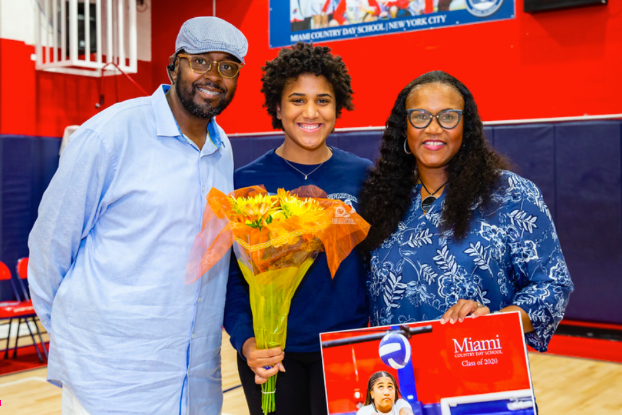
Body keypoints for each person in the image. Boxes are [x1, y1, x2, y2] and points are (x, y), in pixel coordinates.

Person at [27, 16, 247, 414]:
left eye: (227, 66)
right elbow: (49, 248)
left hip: (194, 382)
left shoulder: (222, 149)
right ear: (172, 65)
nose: (213, 75)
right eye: (200, 61)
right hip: (111, 382)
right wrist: (82, 342)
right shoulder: (110, 135)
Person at [358, 71, 573, 352]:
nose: (433, 128)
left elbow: (552, 285)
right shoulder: (379, 200)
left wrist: (494, 320)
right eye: (420, 116)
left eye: (448, 117)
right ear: (404, 128)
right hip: (399, 379)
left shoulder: (510, 194)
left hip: (482, 369)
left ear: (466, 127)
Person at [224, 42, 371, 415]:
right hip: (271, 352)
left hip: (345, 349)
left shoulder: (364, 177)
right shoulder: (247, 183)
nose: (311, 112)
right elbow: (232, 279)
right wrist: (247, 342)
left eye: (323, 100)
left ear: (338, 108)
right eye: (297, 100)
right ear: (277, 107)